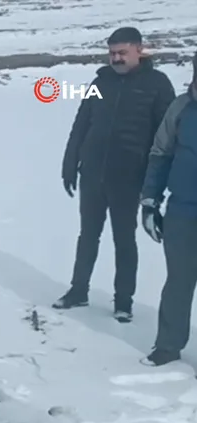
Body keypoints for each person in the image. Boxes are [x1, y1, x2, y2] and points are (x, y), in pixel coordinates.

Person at [54, 27, 176, 322]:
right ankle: (78, 291)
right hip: (93, 173)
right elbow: (81, 124)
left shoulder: (158, 85)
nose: (116, 59)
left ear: (139, 50)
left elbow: (166, 137)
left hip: (129, 177)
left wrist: (154, 184)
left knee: (124, 239)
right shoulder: (101, 81)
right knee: (87, 236)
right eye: (112, 54)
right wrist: (70, 163)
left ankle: (124, 301)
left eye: (122, 53)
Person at [138, 50, 197, 367]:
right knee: (179, 280)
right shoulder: (182, 107)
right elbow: (160, 154)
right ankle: (168, 345)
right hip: (183, 211)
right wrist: (149, 201)